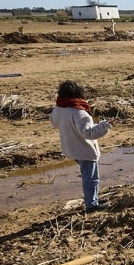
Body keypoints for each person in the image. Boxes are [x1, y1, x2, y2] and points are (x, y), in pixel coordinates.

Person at [50, 80, 111, 211]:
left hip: (71, 148)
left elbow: (54, 123)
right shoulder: (79, 112)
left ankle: (92, 199)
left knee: (88, 176)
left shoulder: (58, 109)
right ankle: (92, 204)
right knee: (91, 178)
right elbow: (89, 133)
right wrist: (104, 126)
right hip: (84, 150)